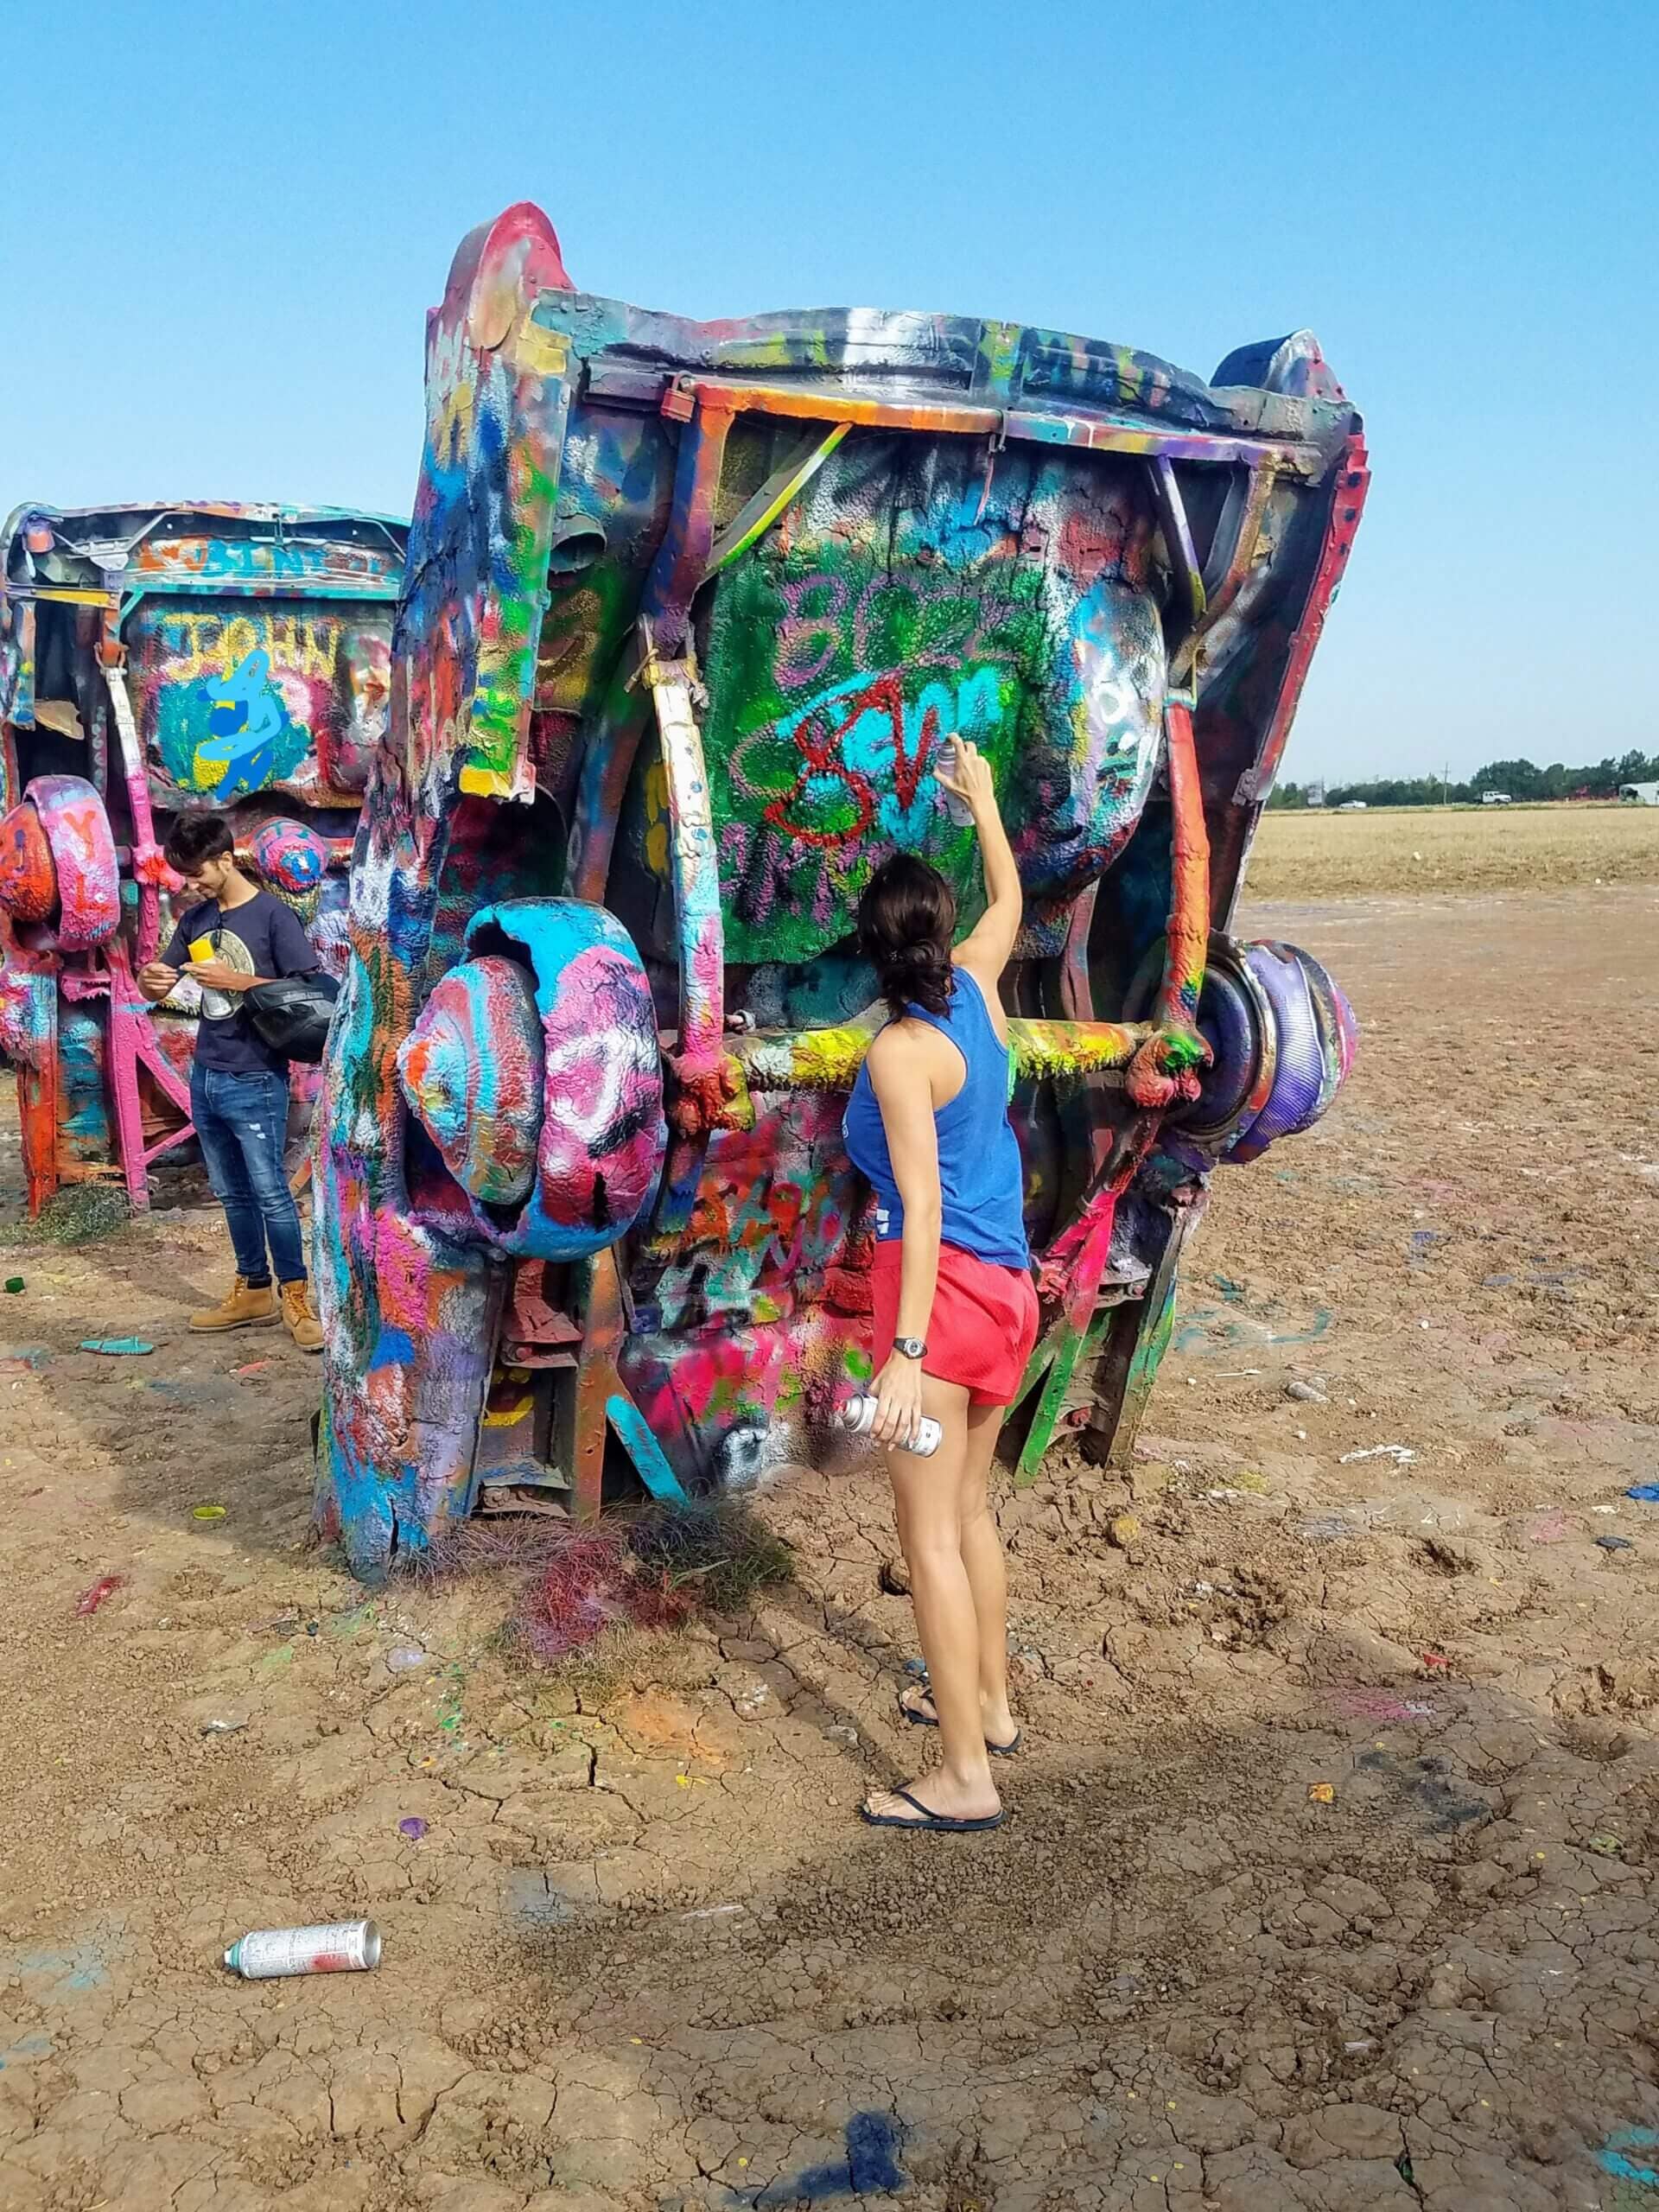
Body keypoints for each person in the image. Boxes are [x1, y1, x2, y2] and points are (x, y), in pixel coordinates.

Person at [842, 735, 1039, 1834]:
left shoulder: (901, 1051)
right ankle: (990, 1707)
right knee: (969, 1518)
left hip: (944, 1315)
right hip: (1007, 1290)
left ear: (871, 952)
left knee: (926, 1541)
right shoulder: (977, 985)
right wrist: (985, 803)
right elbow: (1010, 893)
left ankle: (965, 1775)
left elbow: (919, 1207)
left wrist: (905, 1356)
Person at [137, 813, 323, 1351]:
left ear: (223, 859)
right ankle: (253, 1290)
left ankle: (296, 1296)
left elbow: (310, 991)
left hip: (257, 1074)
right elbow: (158, 982)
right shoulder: (195, 920)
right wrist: (150, 980)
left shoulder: (273, 917)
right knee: (230, 1193)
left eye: (196, 874)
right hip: (207, 1073)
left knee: (271, 1195)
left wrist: (239, 980)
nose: (189, 885)